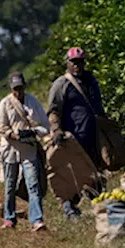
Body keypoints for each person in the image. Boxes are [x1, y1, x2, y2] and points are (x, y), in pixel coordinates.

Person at [46, 46, 106, 220]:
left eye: (80, 62)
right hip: (73, 140)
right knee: (72, 178)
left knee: (96, 177)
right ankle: (69, 210)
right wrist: (56, 130)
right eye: (74, 62)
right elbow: (54, 111)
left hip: (93, 138)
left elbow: (98, 106)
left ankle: (100, 213)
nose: (77, 66)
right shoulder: (62, 84)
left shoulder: (91, 81)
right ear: (68, 63)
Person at [0, 72, 51, 231]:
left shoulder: (33, 102)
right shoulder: (5, 103)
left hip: (29, 149)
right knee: (10, 185)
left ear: (24, 86)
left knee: (33, 185)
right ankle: (9, 218)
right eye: (15, 89)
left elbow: (45, 126)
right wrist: (15, 135)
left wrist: (32, 133)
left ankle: (37, 220)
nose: (18, 92)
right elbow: (0, 127)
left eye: (20, 88)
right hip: (10, 149)